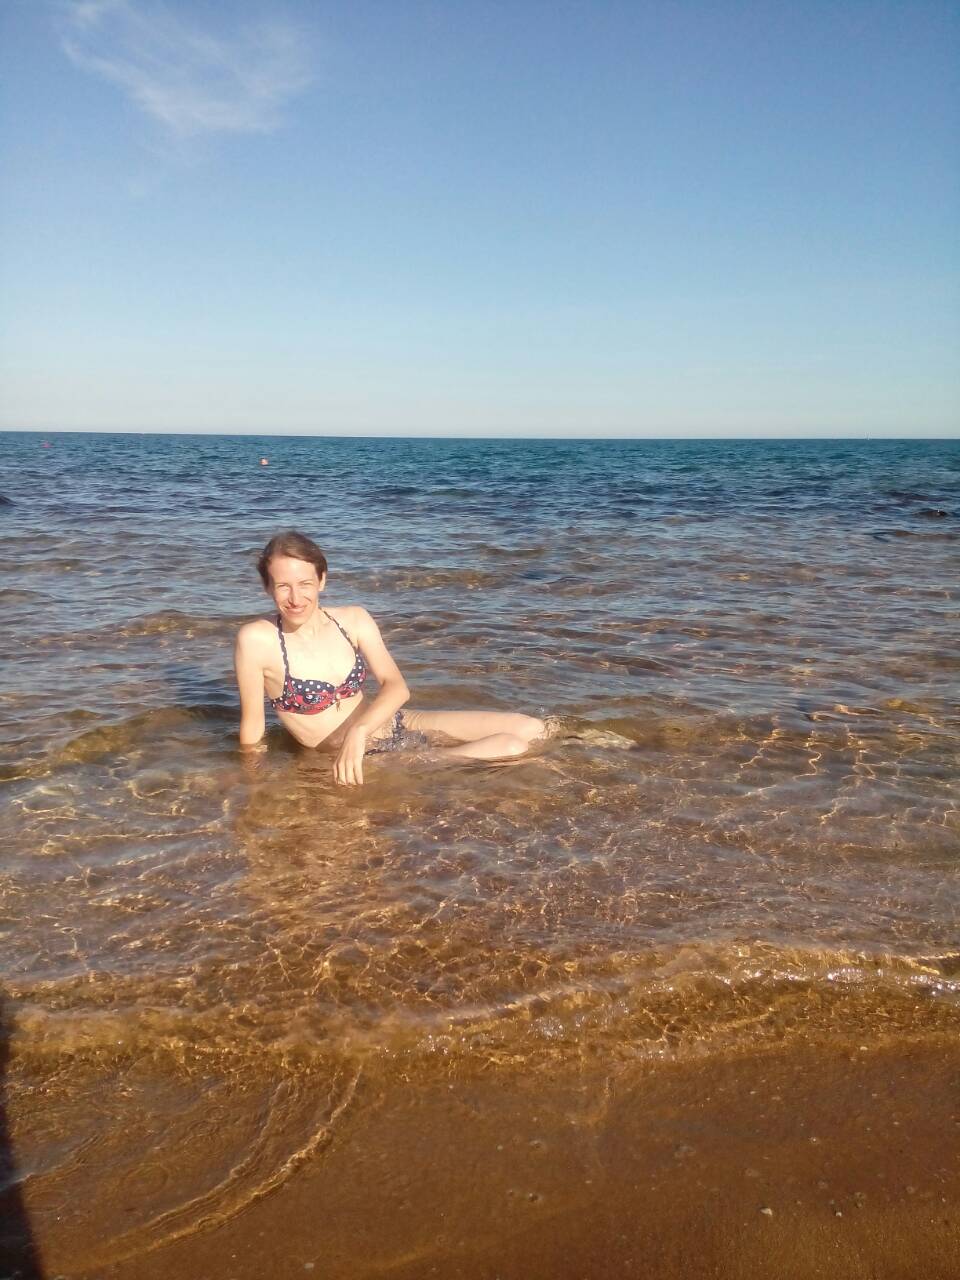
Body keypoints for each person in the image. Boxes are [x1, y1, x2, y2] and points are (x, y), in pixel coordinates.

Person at [234, 531, 546, 786]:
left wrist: (358, 731)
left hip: (395, 723)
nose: (295, 598)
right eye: (283, 586)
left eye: (305, 584)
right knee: (512, 746)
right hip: (360, 757)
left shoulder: (353, 619)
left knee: (532, 728)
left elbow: (396, 686)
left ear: (322, 580)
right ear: (267, 587)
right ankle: (430, 762)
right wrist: (254, 788)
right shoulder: (256, 640)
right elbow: (253, 730)